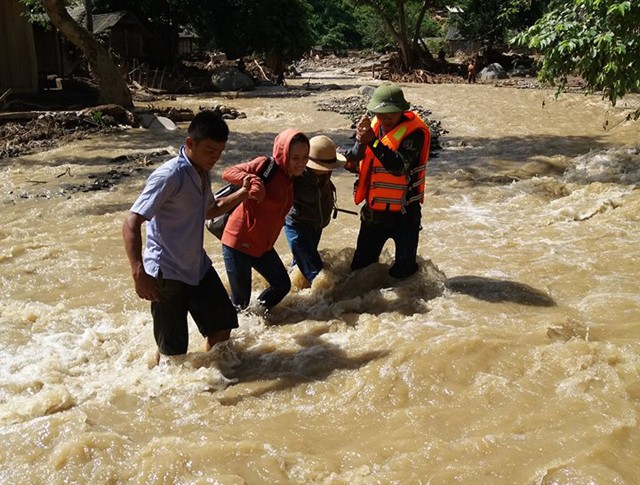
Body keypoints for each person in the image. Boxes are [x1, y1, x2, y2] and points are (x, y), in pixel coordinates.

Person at [123, 110, 251, 364]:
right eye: (210, 151)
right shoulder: (170, 175)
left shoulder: (202, 171)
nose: (215, 158)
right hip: (167, 272)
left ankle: (216, 375)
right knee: (174, 354)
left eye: (220, 152)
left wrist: (244, 193)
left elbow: (209, 211)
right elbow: (131, 222)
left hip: (196, 266)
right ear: (190, 143)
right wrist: (138, 272)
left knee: (222, 328)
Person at [343, 82, 431, 279]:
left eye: (390, 114)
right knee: (360, 270)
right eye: (381, 114)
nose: (385, 118)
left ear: (401, 110)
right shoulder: (372, 125)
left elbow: (399, 167)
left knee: (404, 273)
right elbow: (358, 156)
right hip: (374, 212)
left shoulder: (415, 133)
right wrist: (345, 156)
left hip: (405, 213)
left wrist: (372, 142)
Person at [220, 129, 310, 311]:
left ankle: (258, 321)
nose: (301, 163)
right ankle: (228, 335)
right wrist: (251, 180)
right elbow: (228, 172)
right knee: (240, 303)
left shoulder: (292, 177)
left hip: (262, 247)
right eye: (295, 158)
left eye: (305, 157)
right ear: (283, 154)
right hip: (238, 243)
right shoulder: (265, 166)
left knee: (283, 285)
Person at [284, 135, 345, 284]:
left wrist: (362, 139)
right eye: (323, 167)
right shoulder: (296, 174)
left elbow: (356, 155)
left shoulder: (326, 169)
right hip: (298, 226)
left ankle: (297, 292)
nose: (327, 171)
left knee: (300, 264)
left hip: (317, 224)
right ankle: (323, 304)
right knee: (316, 273)